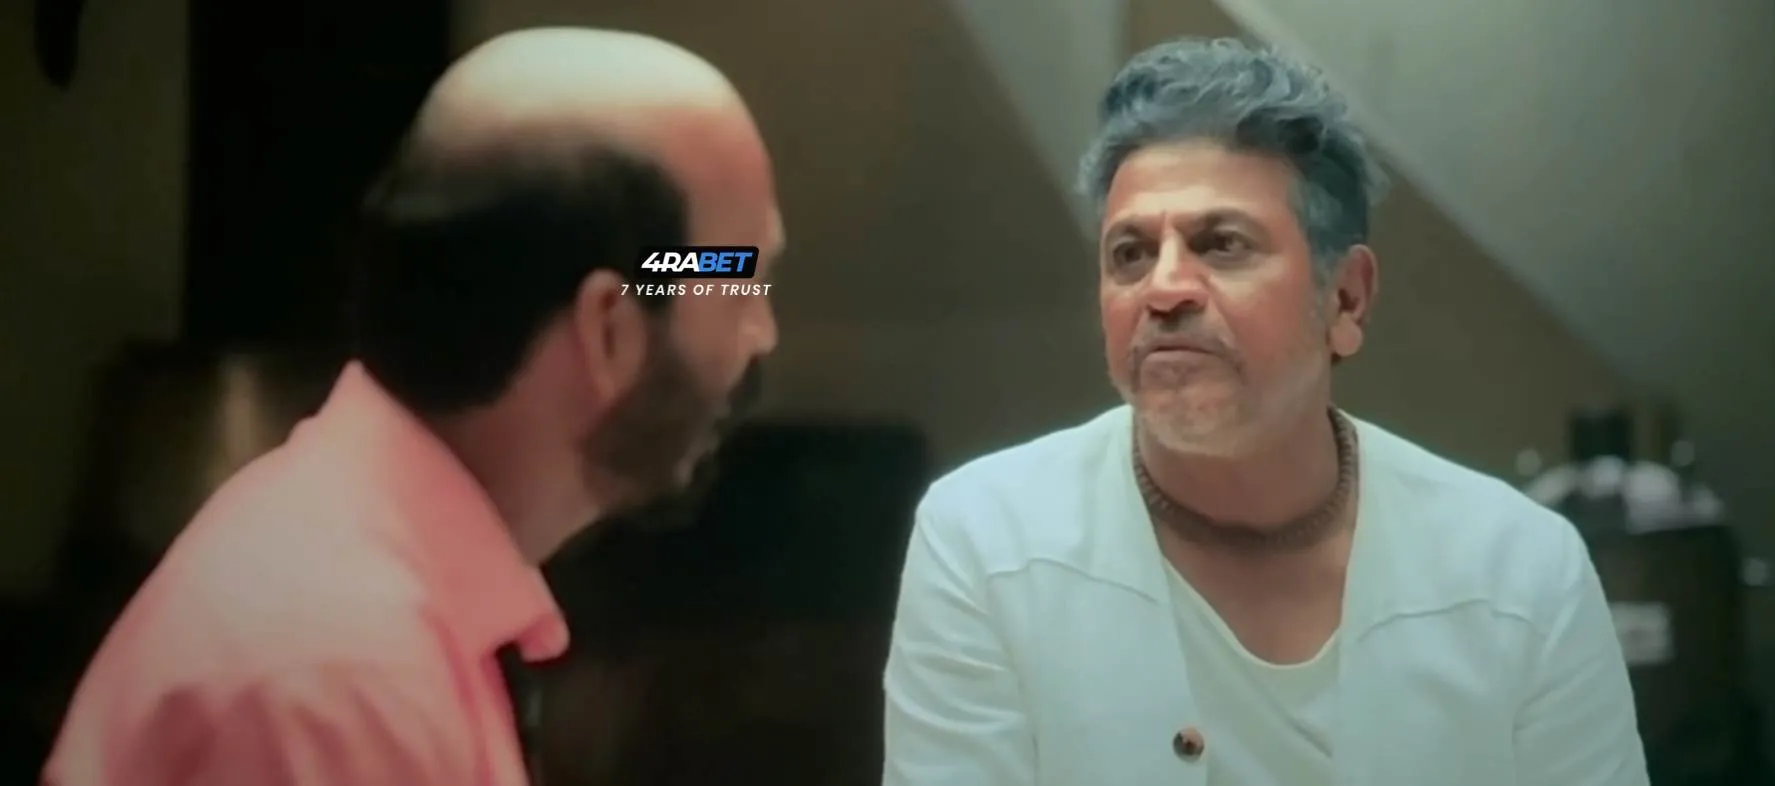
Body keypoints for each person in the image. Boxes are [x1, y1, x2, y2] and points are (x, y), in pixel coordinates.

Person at [881, 38, 1647, 786]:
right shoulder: (987, 541)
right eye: (1130, 254)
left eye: (1221, 244)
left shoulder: (1521, 575)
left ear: (1345, 300)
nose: (1164, 289)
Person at [43, 26, 783, 786]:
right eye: (742, 281)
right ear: (610, 330)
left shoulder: (359, 583)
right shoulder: (342, 680)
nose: (764, 333)